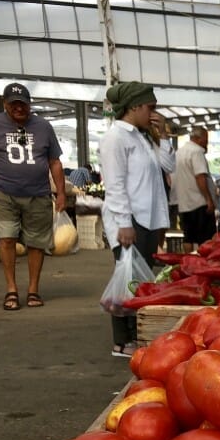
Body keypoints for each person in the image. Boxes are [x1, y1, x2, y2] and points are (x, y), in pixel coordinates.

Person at [0, 82, 66, 311]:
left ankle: (33, 290)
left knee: (36, 243)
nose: (19, 108)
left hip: (38, 194)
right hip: (3, 193)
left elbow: (55, 162)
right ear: (5, 104)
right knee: (7, 239)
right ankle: (11, 289)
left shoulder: (44, 127)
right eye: (14, 104)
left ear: (30, 105)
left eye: (23, 104)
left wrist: (60, 193)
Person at [98, 81, 169, 357]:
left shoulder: (142, 135)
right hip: (129, 220)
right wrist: (124, 223)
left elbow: (168, 166)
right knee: (127, 278)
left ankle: (135, 335)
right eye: (150, 107)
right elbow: (114, 184)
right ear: (134, 106)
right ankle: (122, 340)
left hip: (147, 218)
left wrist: (162, 134)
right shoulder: (116, 138)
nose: (154, 113)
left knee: (139, 279)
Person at [174, 127, 216, 253]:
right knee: (206, 238)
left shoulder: (179, 152)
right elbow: (200, 177)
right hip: (199, 202)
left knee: (188, 237)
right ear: (198, 138)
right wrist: (208, 199)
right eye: (205, 140)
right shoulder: (197, 152)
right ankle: (204, 263)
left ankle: (188, 261)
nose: (206, 143)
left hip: (184, 203)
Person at [148, 110, 176, 250]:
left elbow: (169, 166)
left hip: (159, 194)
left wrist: (164, 135)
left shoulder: (156, 145)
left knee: (160, 225)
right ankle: (157, 249)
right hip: (147, 201)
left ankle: (157, 249)